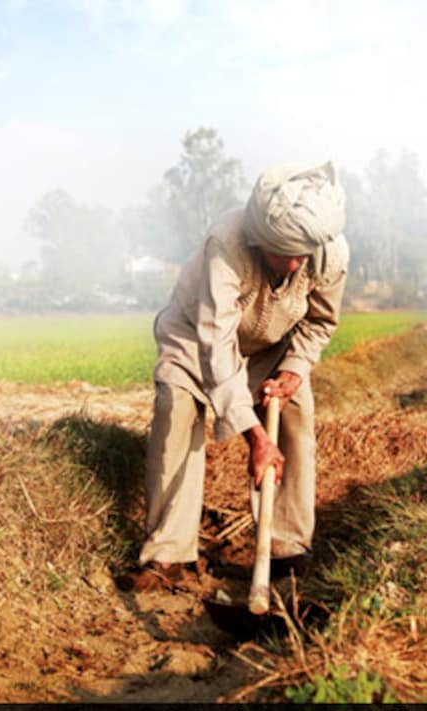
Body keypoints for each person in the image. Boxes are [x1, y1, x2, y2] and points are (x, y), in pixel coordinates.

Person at [117, 161, 349, 592]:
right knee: (176, 412)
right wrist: (256, 437)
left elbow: (320, 323)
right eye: (284, 253)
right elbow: (216, 346)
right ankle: (167, 553)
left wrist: (294, 369)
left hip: (272, 346)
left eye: (303, 254)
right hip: (195, 339)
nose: (296, 264)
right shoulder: (225, 246)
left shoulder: (328, 253)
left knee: (295, 414)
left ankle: (288, 548)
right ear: (260, 242)